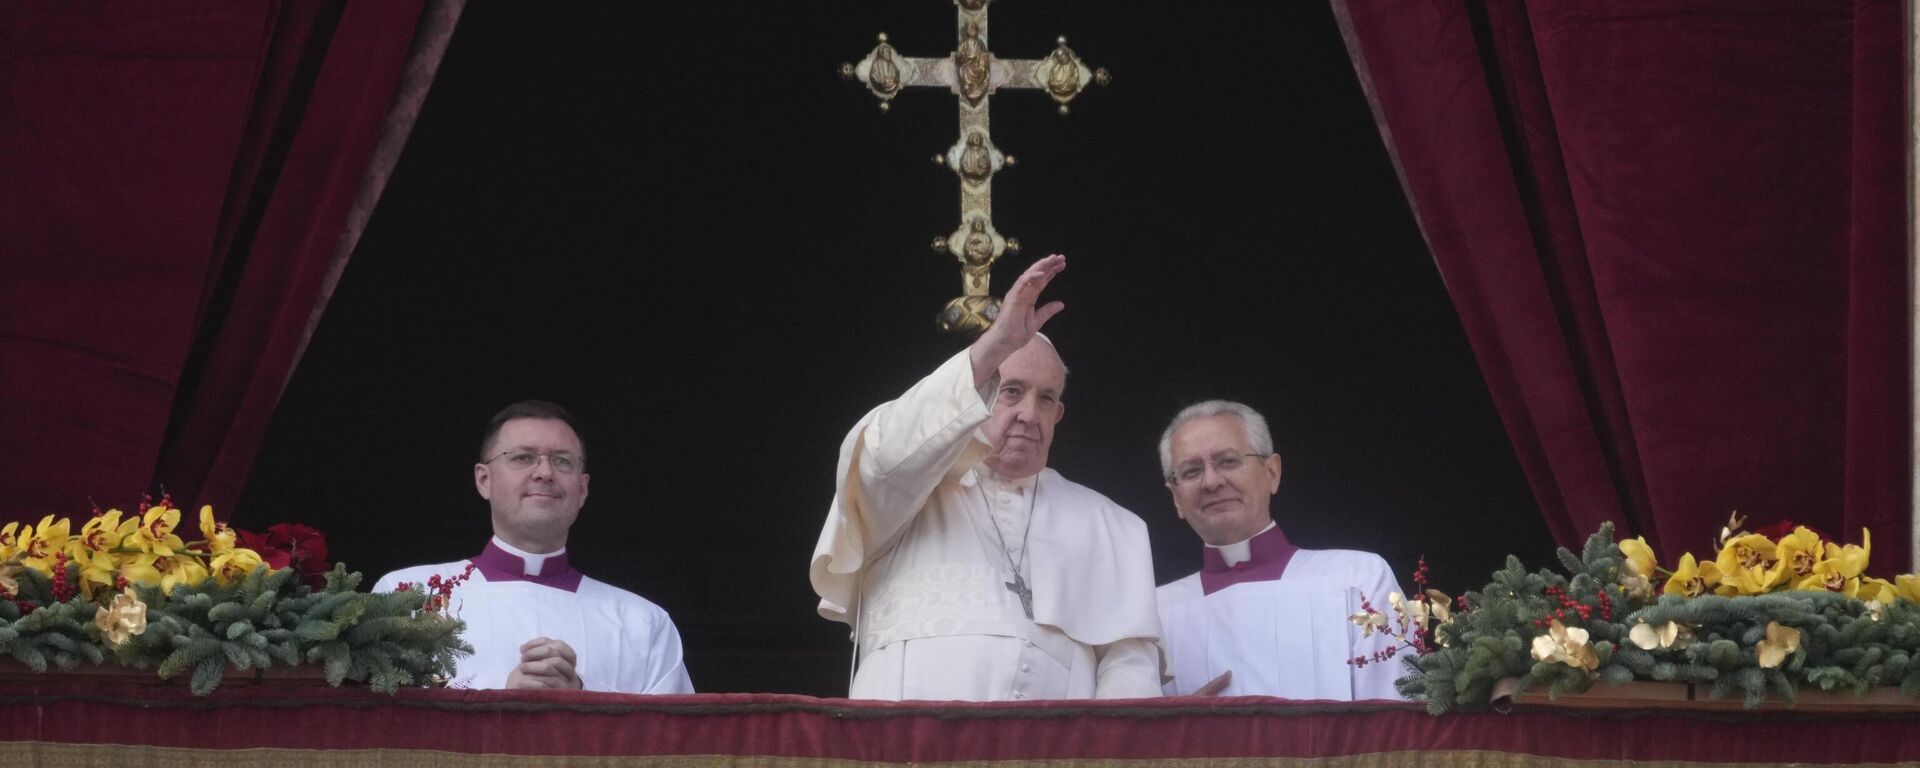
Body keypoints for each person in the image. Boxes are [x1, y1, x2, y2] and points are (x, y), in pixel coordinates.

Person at [810, 254, 1164, 701]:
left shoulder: (1111, 524)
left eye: (1046, 399)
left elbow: (1129, 671)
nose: (1028, 414)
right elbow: (884, 455)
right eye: (1010, 391)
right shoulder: (906, 490)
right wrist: (992, 348)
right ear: (975, 393)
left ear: (1060, 414)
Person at [374, 401, 693, 694]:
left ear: (582, 489)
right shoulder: (407, 596)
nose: (544, 473)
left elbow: (674, 747)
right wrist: (501, 697)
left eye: (563, 461)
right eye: (523, 458)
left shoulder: (641, 622)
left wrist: (580, 695)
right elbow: (378, 728)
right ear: (484, 480)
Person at [1153, 400, 1403, 700]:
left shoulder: (1358, 578)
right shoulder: (1153, 613)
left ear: (1272, 472)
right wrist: (1176, 729)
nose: (1211, 481)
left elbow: (1397, 722)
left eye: (1228, 461)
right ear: (1176, 498)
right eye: (1191, 471)